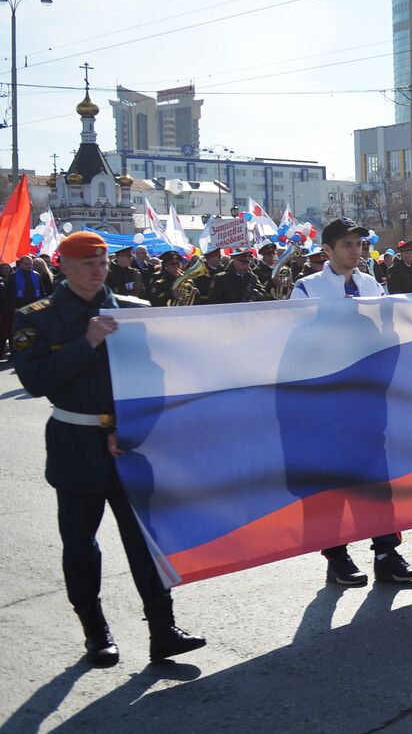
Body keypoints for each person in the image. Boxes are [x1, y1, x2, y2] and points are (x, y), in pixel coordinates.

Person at [12, 231, 206, 667]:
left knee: (145, 543)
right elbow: (37, 382)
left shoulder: (134, 312)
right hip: (75, 444)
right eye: (87, 263)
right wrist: (88, 343)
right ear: (62, 265)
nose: (98, 270)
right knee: (81, 545)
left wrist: (134, 428)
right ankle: (96, 633)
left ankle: (163, 631)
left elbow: (157, 379)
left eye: (102, 262)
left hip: (130, 444)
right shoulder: (37, 317)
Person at [290, 218, 412, 585]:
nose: (355, 251)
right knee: (331, 479)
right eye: (347, 245)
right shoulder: (307, 288)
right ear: (327, 251)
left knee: (376, 477)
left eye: (359, 245)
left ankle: (385, 551)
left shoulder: (371, 285)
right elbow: (299, 344)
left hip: (366, 398)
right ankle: (336, 555)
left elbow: (386, 333)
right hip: (327, 402)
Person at [208, 248, 272, 304]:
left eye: (247, 262)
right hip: (228, 314)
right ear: (234, 260)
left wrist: (258, 295)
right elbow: (214, 299)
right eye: (242, 261)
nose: (245, 264)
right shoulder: (220, 278)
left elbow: (264, 296)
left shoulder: (252, 277)